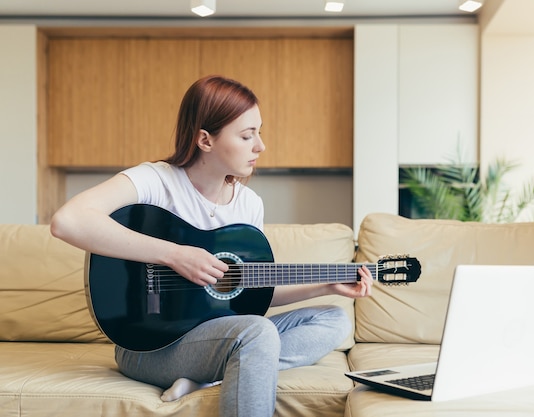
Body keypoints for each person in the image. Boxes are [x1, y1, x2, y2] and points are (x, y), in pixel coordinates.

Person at [50, 75, 373, 417]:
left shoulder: (249, 204)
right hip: (149, 346)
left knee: (333, 320)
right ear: (205, 139)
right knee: (257, 332)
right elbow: (68, 221)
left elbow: (245, 292)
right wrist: (175, 255)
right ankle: (230, 368)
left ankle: (210, 377)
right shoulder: (155, 181)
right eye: (247, 135)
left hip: (220, 338)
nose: (260, 146)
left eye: (259, 133)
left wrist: (326, 287)